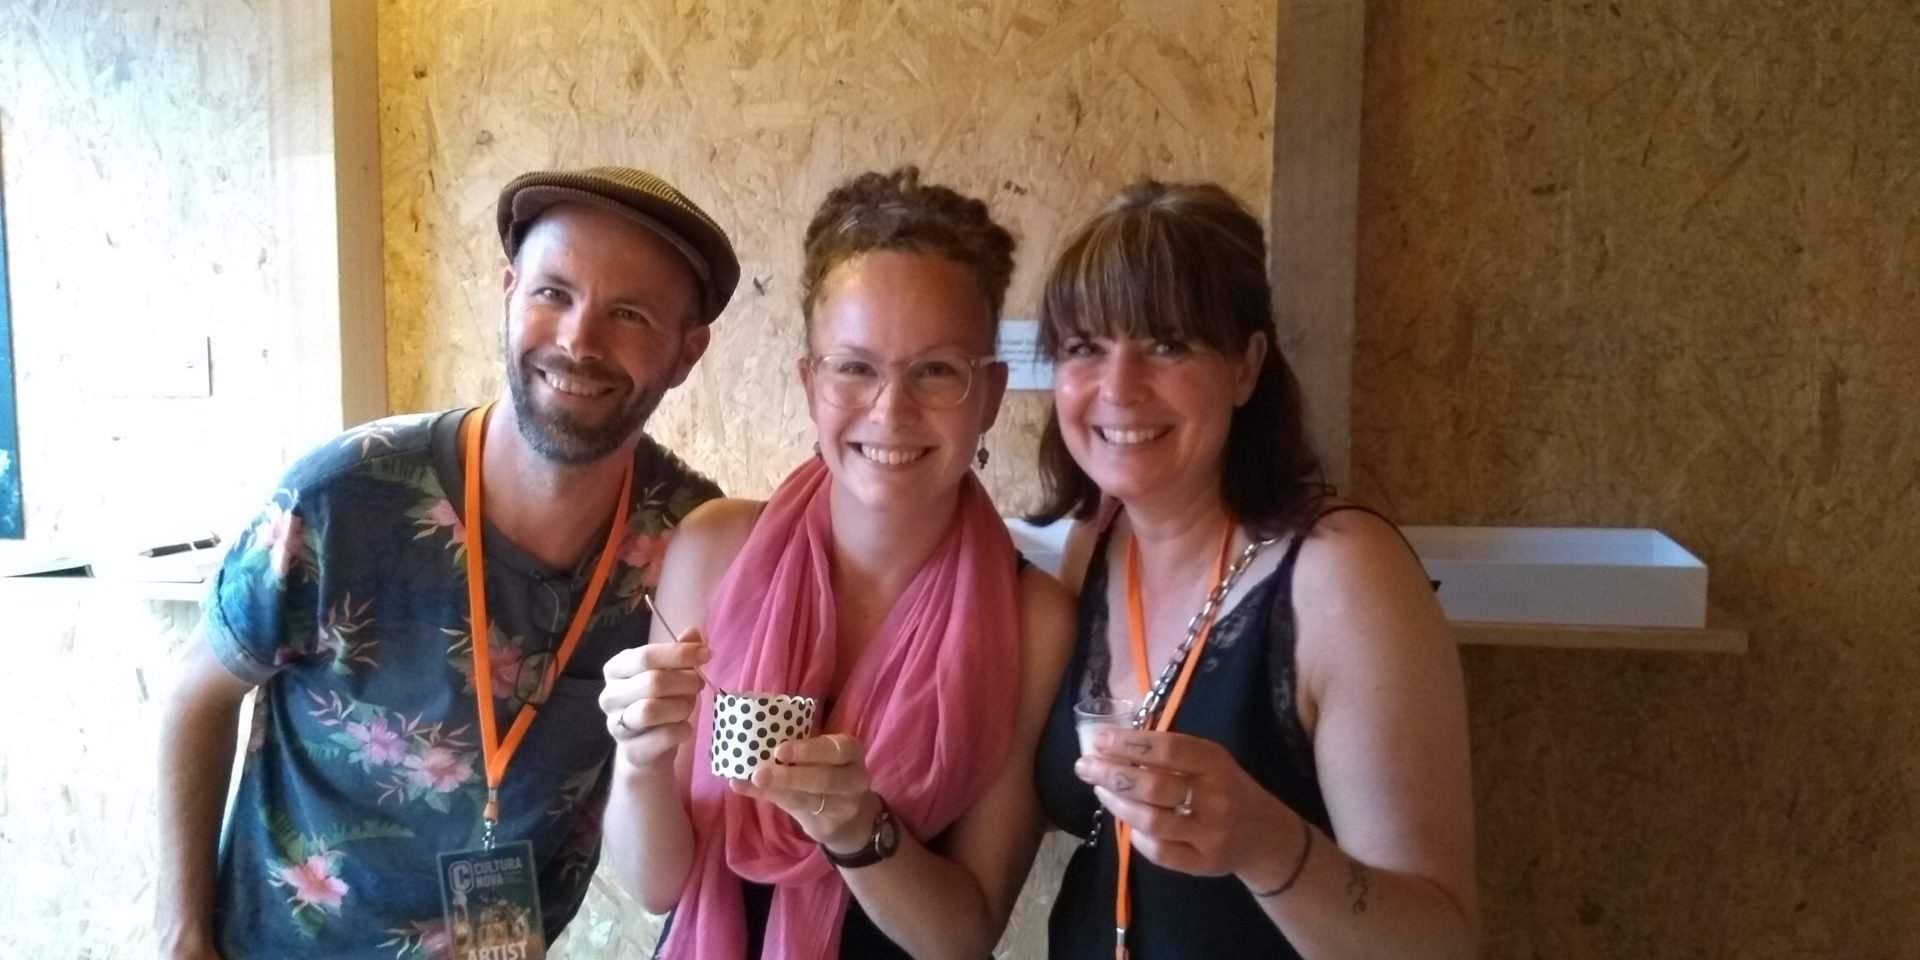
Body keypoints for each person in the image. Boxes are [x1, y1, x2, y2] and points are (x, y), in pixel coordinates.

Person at [154, 167, 739, 959]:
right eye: (553, 293)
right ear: (509, 294)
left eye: (630, 313)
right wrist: (182, 934)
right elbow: (198, 692)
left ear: (686, 352)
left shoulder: (686, 547)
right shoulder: (343, 498)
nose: (579, 340)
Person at [598, 167, 1075, 960]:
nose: (891, 410)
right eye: (855, 367)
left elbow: (964, 936)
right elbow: (657, 886)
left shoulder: (1034, 618)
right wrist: (640, 760)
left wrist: (856, 827)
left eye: (936, 370)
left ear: (989, 395)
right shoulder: (715, 549)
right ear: (810, 383)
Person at [1029, 180, 1479, 959]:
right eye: (1085, 347)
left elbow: (1442, 942)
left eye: (1167, 342)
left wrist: (1268, 845)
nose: (1119, 386)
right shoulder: (1093, 542)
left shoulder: (1345, 576)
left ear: (1245, 366)